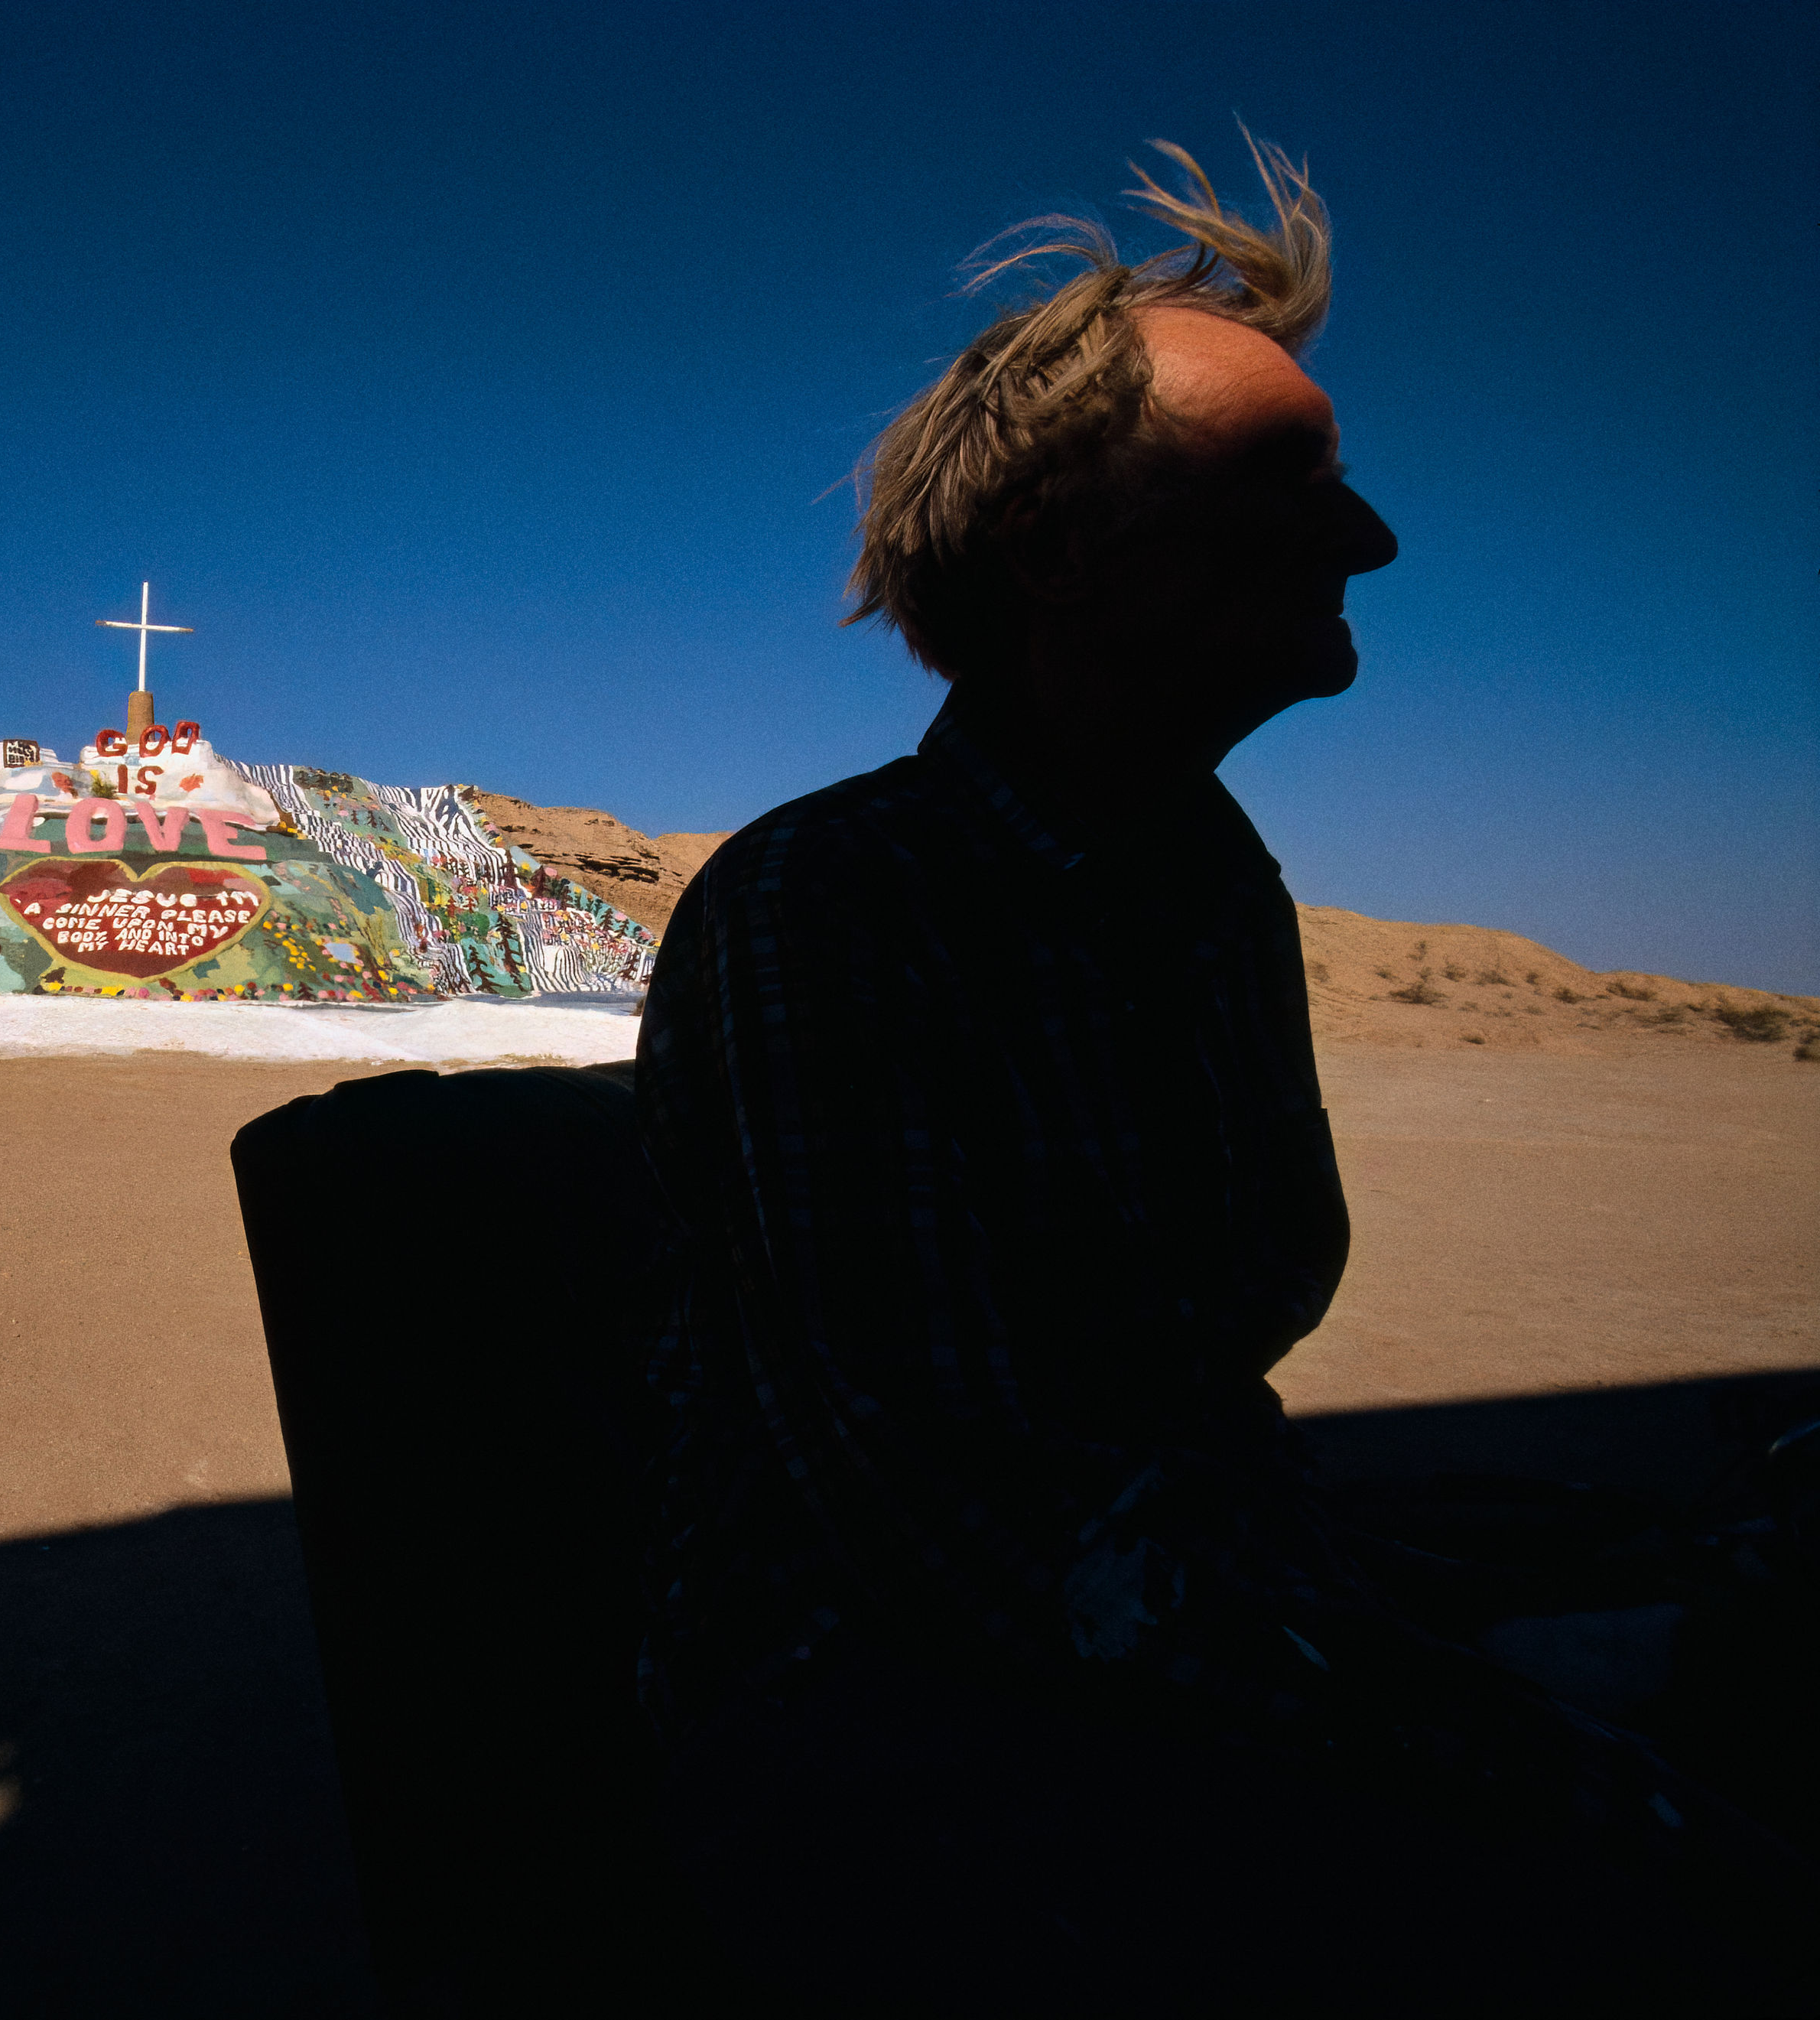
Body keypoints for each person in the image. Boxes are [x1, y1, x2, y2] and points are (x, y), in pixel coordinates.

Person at [632, 138, 1813, 2008]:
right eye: (1292, 486)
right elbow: (966, 1550)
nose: (1373, 542)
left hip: (1187, 1606)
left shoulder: (1201, 882)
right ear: (1060, 548)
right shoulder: (832, 907)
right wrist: (1526, 1717)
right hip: (885, 1750)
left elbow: (1220, 1341)